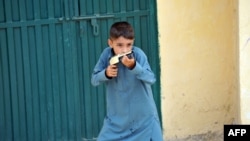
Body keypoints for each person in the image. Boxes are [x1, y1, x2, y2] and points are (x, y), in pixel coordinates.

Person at [91, 21, 163, 141]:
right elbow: (94, 79)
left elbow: (151, 78)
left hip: (144, 119)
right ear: (110, 43)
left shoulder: (138, 55)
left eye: (129, 45)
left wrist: (134, 66)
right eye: (119, 45)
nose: (124, 50)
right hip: (116, 121)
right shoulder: (106, 55)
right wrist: (106, 73)